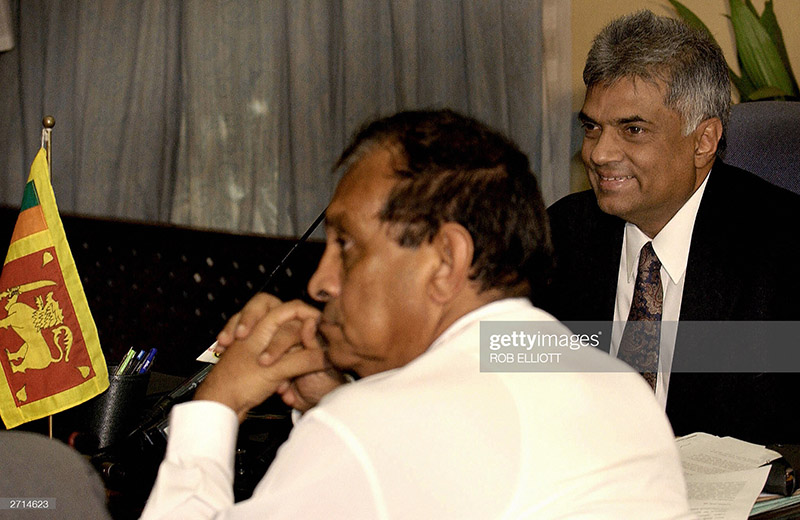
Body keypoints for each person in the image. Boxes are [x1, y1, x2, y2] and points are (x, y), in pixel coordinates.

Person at [141, 109, 691, 519]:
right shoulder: (620, 388)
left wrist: (217, 403)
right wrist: (338, 399)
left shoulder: (369, 429)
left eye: (348, 246)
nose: (320, 282)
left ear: (446, 260)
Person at [536, 10, 800, 443]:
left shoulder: (784, 250)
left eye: (633, 129)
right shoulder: (560, 234)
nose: (599, 154)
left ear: (703, 141)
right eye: (592, 127)